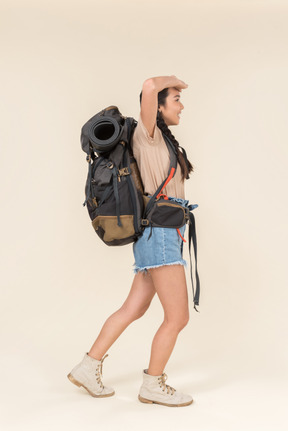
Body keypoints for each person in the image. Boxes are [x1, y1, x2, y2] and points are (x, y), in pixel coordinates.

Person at [67, 75, 196, 407]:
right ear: (159, 107)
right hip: (161, 236)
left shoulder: (162, 141)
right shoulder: (148, 135)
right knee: (177, 317)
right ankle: (152, 384)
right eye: (177, 100)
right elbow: (150, 85)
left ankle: (87, 366)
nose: (181, 106)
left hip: (159, 235)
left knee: (133, 308)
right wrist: (174, 80)